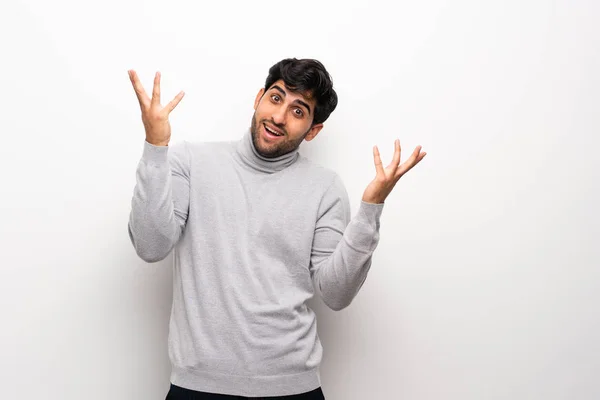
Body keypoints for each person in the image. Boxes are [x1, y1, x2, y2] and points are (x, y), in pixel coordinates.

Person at [127, 58, 426, 400]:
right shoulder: (190, 162)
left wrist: (370, 210)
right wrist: (155, 147)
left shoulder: (325, 188)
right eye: (276, 98)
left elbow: (336, 293)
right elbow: (151, 246)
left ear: (313, 130)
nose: (279, 116)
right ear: (259, 98)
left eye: (299, 111)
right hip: (198, 386)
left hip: (293, 389)